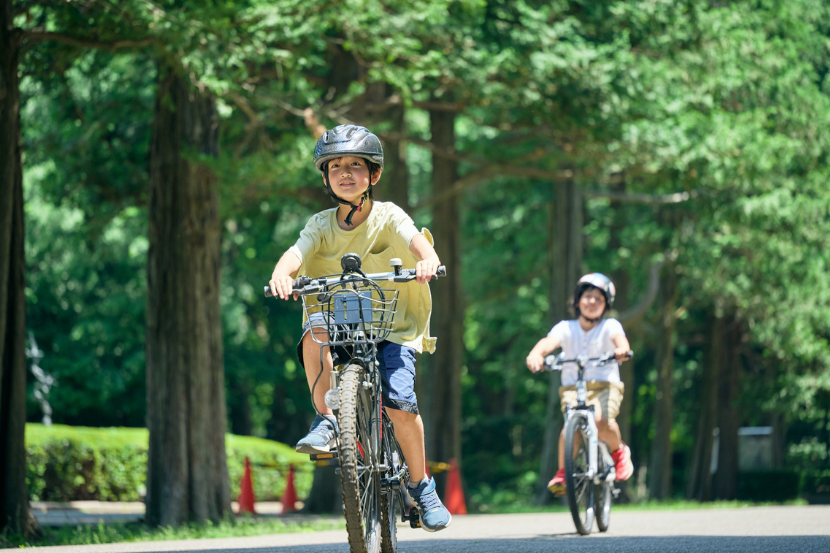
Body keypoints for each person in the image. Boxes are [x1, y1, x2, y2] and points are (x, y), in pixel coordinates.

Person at [268, 124, 451, 532]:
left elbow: (417, 241)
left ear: (374, 175)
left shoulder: (389, 215)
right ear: (325, 177)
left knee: (400, 403)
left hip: (392, 324)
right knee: (314, 330)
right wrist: (282, 275)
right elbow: (294, 255)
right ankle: (328, 418)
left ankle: (422, 486)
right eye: (335, 166)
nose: (345, 173)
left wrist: (426, 259)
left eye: (355, 165)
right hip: (340, 324)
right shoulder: (319, 224)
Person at [526, 273, 634, 495]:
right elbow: (548, 343)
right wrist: (536, 354)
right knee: (570, 428)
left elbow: (619, 340)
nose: (592, 302)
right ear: (577, 301)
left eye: (598, 298)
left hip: (606, 386)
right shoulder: (566, 327)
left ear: (606, 305)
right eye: (587, 297)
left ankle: (619, 452)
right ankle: (564, 472)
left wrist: (621, 350)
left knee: (602, 420)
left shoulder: (609, 325)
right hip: (573, 388)